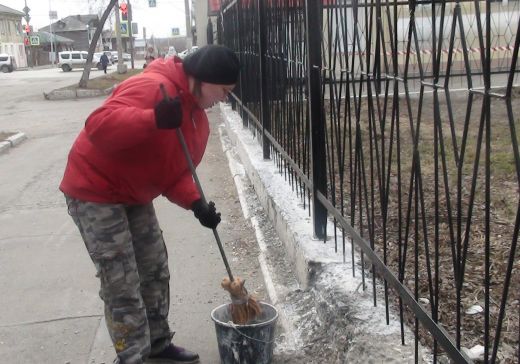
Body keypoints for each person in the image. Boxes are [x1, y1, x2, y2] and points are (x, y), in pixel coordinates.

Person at [60, 45, 240, 364]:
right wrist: (152, 118)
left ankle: (156, 343)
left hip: (132, 192)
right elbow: (99, 125)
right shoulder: (154, 88)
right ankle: (132, 356)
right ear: (203, 78)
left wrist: (197, 204)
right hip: (95, 188)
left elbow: (173, 171)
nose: (224, 98)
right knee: (122, 279)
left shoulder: (197, 118)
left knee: (154, 268)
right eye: (223, 90)